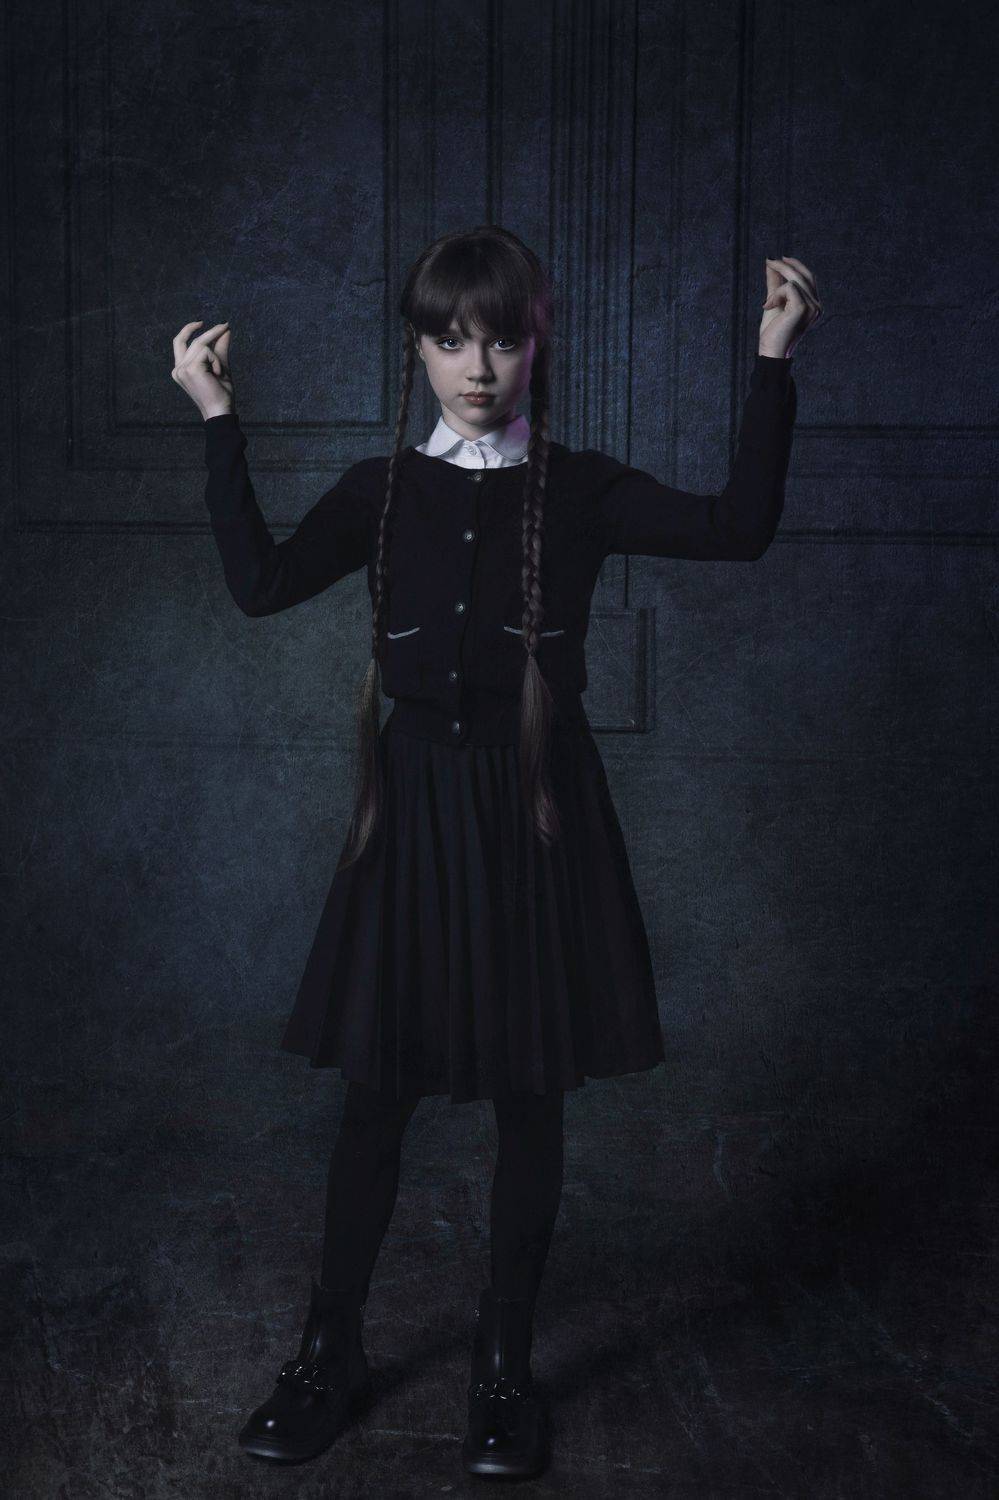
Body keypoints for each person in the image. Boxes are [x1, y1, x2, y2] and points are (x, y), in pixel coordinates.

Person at [171, 226, 820, 1480]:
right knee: (377, 1097)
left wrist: (773, 361)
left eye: (503, 341)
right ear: (418, 349)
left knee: (532, 1096)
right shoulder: (379, 491)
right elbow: (259, 584)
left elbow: (740, 527)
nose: (478, 368)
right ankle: (327, 1352)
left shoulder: (579, 489)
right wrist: (216, 421)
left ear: (537, 344)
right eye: (450, 341)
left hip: (535, 815)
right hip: (412, 819)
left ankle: (504, 1366)